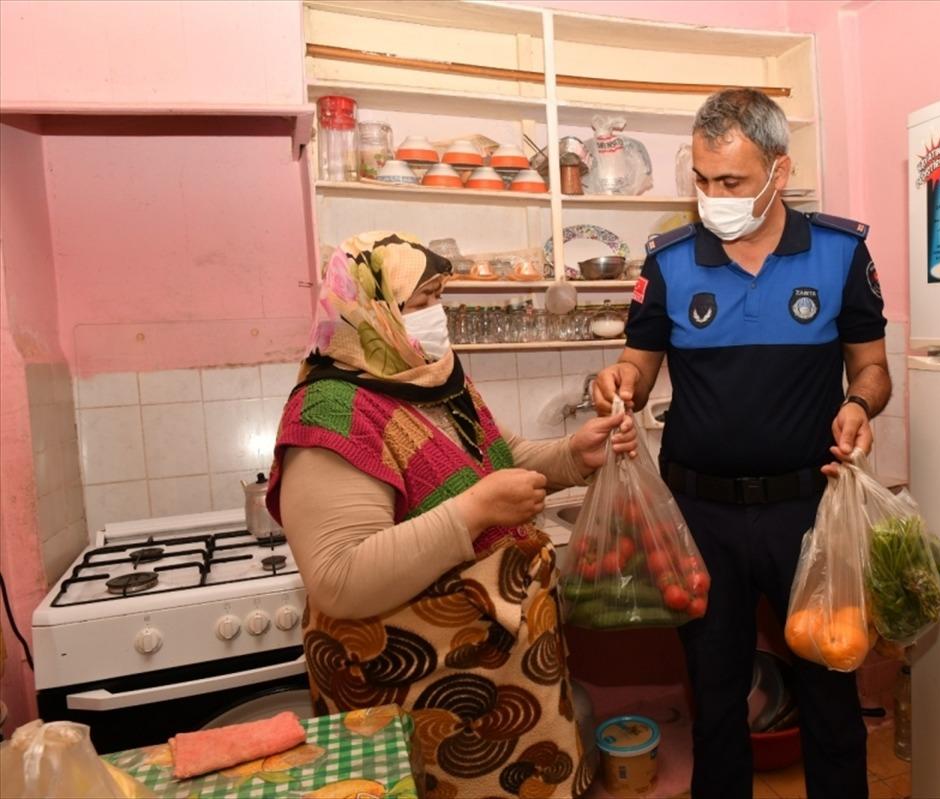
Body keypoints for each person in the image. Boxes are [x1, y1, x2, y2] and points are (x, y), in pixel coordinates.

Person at [592, 89, 892, 799]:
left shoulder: (840, 253)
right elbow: (637, 364)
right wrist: (616, 383)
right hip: (703, 518)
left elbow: (872, 367)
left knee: (829, 694)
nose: (711, 196)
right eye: (700, 179)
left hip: (809, 513)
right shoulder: (668, 262)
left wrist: (858, 404)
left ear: (779, 172)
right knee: (715, 697)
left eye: (730, 181)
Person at [266, 231, 634, 799]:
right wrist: (475, 512)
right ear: (370, 308)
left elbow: (499, 455)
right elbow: (339, 579)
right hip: (419, 692)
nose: (436, 316)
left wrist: (571, 455)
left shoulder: (432, 378)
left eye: (440, 298)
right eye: (419, 303)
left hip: (501, 679)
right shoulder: (332, 411)